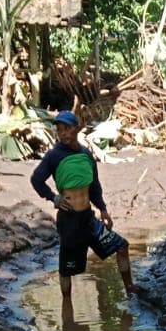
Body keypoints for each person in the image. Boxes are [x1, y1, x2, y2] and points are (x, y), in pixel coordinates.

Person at [30, 110, 135, 303]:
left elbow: (94, 186)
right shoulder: (54, 156)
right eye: (59, 130)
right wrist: (53, 198)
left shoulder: (86, 155)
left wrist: (103, 209)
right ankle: (67, 307)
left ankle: (131, 291)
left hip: (88, 218)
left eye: (67, 128)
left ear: (77, 128)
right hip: (69, 221)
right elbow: (36, 180)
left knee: (121, 246)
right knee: (66, 268)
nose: (63, 133)